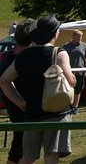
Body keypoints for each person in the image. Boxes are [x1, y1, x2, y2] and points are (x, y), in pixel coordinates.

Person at [0, 15, 76, 164]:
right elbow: (71, 81)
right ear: (55, 33)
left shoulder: (22, 56)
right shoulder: (59, 53)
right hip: (56, 113)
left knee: (27, 157)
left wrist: (20, 103)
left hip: (31, 114)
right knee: (51, 155)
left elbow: (4, 81)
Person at [0, 20, 33, 164]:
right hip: (20, 108)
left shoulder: (12, 56)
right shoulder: (13, 59)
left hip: (20, 107)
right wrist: (21, 103)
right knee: (20, 146)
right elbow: (6, 82)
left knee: (24, 147)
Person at [61, 30, 86, 114]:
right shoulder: (66, 46)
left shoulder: (85, 46)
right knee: (67, 90)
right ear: (73, 36)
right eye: (78, 36)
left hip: (80, 72)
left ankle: (75, 107)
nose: (80, 38)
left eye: (81, 36)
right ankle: (68, 107)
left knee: (78, 90)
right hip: (68, 72)